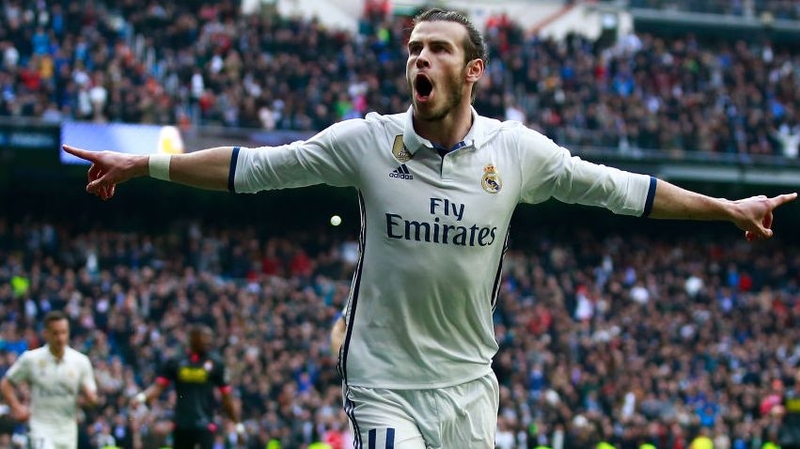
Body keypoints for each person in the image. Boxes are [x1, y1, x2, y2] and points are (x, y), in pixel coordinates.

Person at [63, 7, 796, 448]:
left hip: (470, 385)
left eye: (438, 49)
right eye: (414, 48)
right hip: (383, 381)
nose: (420, 57)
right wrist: (145, 164)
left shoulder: (516, 153)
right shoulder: (367, 141)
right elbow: (251, 167)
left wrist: (726, 208)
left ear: (472, 69)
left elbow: (618, 190)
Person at [131, 324, 244, 449]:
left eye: (210, 337)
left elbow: (226, 396)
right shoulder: (176, 361)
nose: (208, 341)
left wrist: (238, 425)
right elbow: (159, 386)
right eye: (205, 337)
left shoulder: (216, 363)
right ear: (193, 338)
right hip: (181, 424)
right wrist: (141, 397)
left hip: (205, 423)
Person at [0, 310, 99, 449]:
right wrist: (17, 408)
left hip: (68, 431)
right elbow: (6, 384)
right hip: (40, 428)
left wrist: (90, 399)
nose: (60, 338)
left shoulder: (80, 362)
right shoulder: (31, 359)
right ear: (45, 334)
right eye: (55, 333)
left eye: (64, 332)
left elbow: (93, 399)